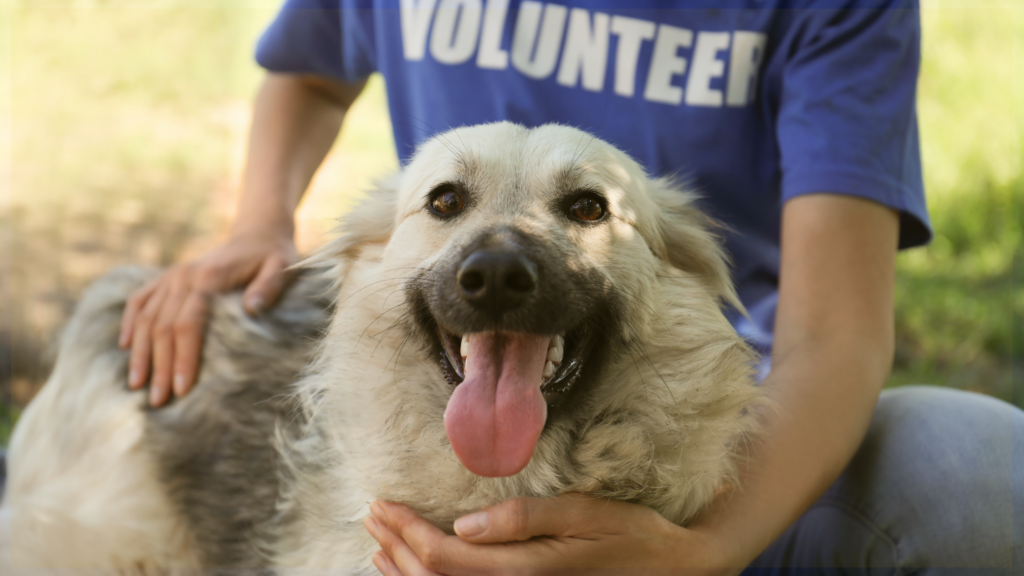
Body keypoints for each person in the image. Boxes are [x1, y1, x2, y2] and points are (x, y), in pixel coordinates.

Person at [118, 0, 1022, 573]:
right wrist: (258, 221)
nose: (500, 260)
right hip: (422, 434)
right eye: (446, 201)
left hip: (743, 462)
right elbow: (312, 65)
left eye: (587, 208)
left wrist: (703, 547)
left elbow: (836, 336)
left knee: (986, 470)